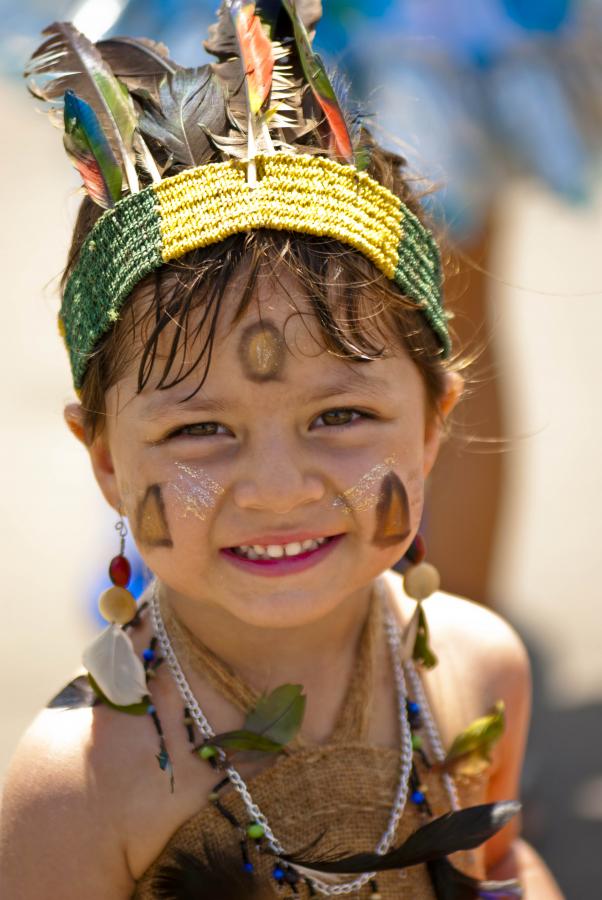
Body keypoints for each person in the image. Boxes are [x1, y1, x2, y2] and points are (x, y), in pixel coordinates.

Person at [0, 3, 564, 898]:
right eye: (199, 431)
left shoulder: (478, 666)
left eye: (338, 418)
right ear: (103, 457)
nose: (273, 489)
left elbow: (499, 865)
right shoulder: (74, 790)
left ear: (432, 427)